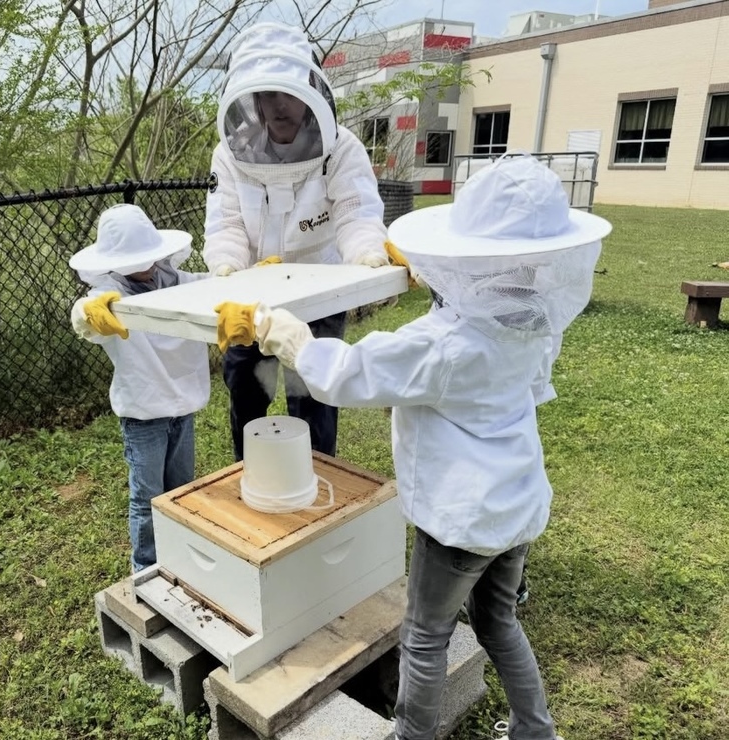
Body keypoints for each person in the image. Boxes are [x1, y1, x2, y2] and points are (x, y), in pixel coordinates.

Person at [235, 153, 611, 740]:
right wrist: (434, 280)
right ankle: (536, 731)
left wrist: (288, 336)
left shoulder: (445, 348)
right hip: (517, 507)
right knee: (499, 623)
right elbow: (502, 352)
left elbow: (349, 373)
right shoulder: (536, 321)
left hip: (461, 520)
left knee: (425, 635)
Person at [202, 21, 396, 462]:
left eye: (286, 92)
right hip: (251, 299)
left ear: (308, 88)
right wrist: (226, 272)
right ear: (250, 99)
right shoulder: (230, 153)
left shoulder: (340, 147)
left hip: (320, 298)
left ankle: (316, 485)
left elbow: (355, 213)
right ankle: (253, 480)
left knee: (315, 397)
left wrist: (369, 254)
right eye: (267, 95)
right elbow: (227, 223)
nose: (278, 105)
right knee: (247, 400)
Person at [69, 204, 211, 573]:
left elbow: (215, 284)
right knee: (148, 497)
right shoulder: (109, 293)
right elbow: (85, 311)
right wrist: (88, 313)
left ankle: (182, 559)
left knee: (182, 489)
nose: (143, 267)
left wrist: (245, 278)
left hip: (182, 409)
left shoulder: (176, 279)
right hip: (143, 415)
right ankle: (146, 568)